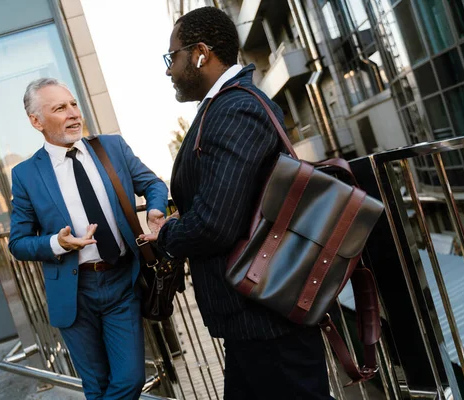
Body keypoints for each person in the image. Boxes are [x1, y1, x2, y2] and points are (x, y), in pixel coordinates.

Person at [142, 7, 332, 399]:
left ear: (200, 53)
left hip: (266, 321)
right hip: (253, 316)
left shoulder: (235, 109)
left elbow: (214, 222)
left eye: (171, 57)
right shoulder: (222, 106)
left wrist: (166, 235)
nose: (168, 70)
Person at [8, 77, 168, 400]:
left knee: (131, 380)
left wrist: (154, 209)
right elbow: (18, 242)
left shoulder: (111, 148)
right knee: (95, 386)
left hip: (121, 281)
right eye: (59, 108)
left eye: (73, 104)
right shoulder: (26, 175)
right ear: (36, 121)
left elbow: (153, 184)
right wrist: (57, 243)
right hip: (73, 292)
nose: (72, 113)